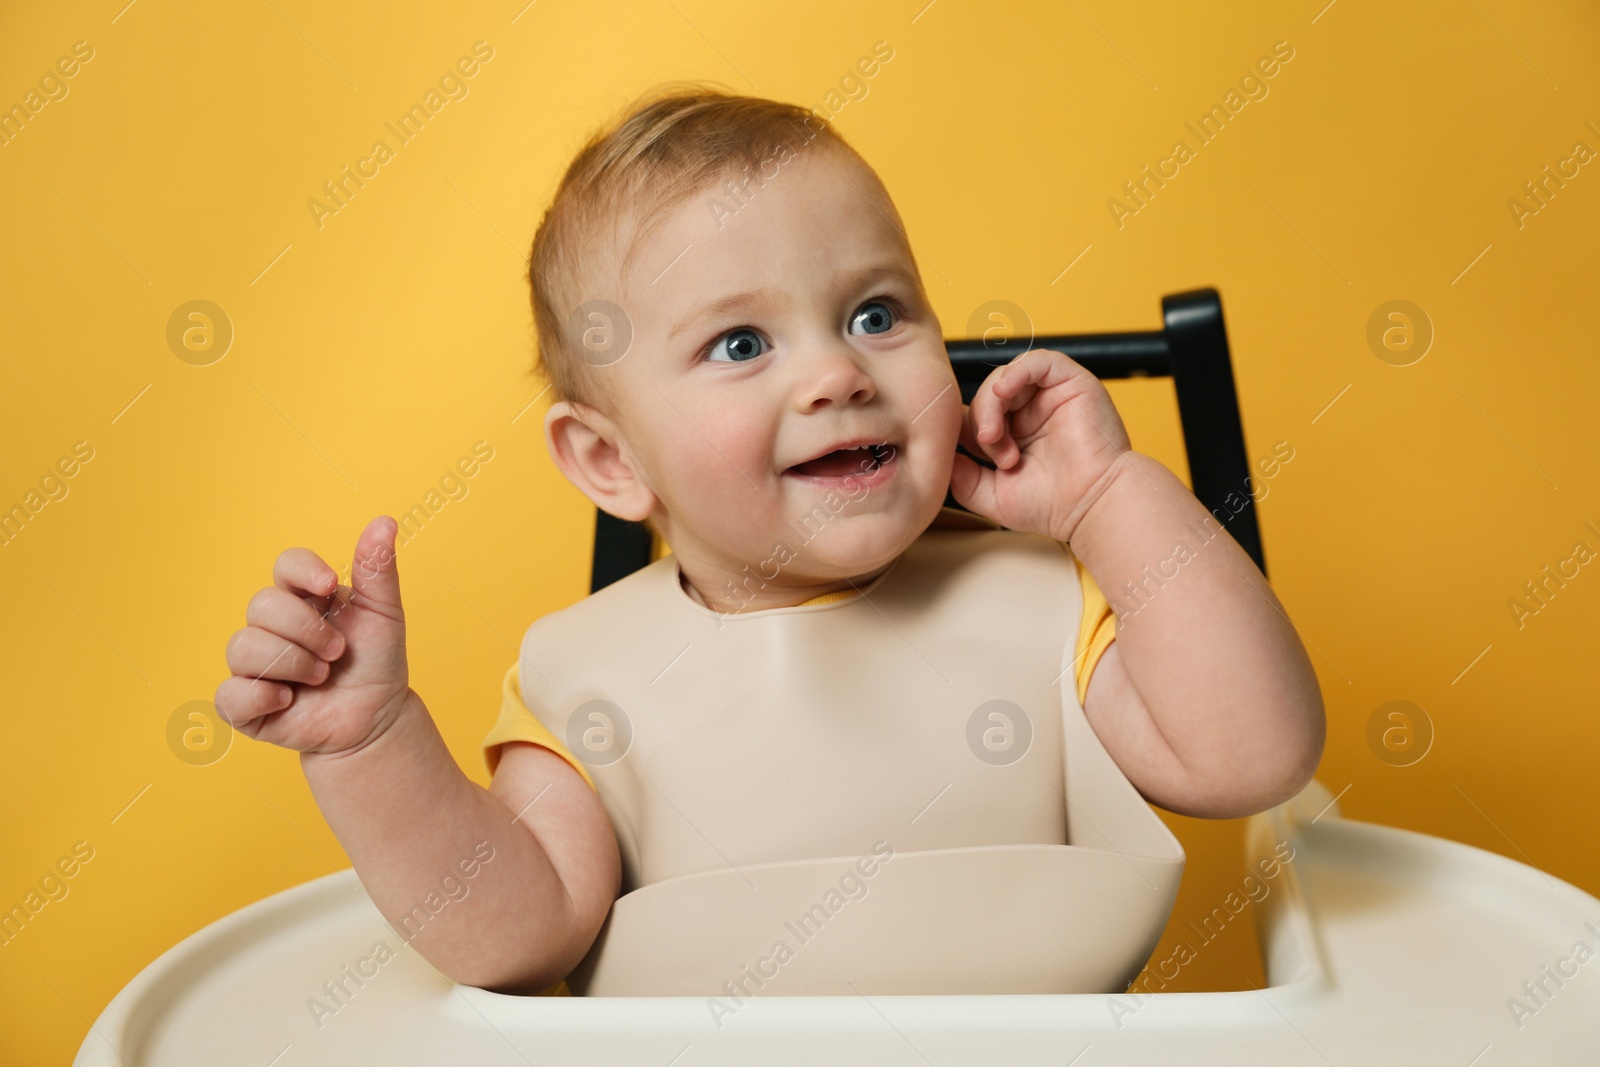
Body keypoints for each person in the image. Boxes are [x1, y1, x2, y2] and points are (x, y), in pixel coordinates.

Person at [215, 83, 1324, 998]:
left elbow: (1252, 754)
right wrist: (370, 746)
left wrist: (1109, 500)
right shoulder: (586, 681)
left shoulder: (1044, 603)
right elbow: (518, 934)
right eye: (741, 341)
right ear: (611, 461)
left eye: (877, 314)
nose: (838, 372)